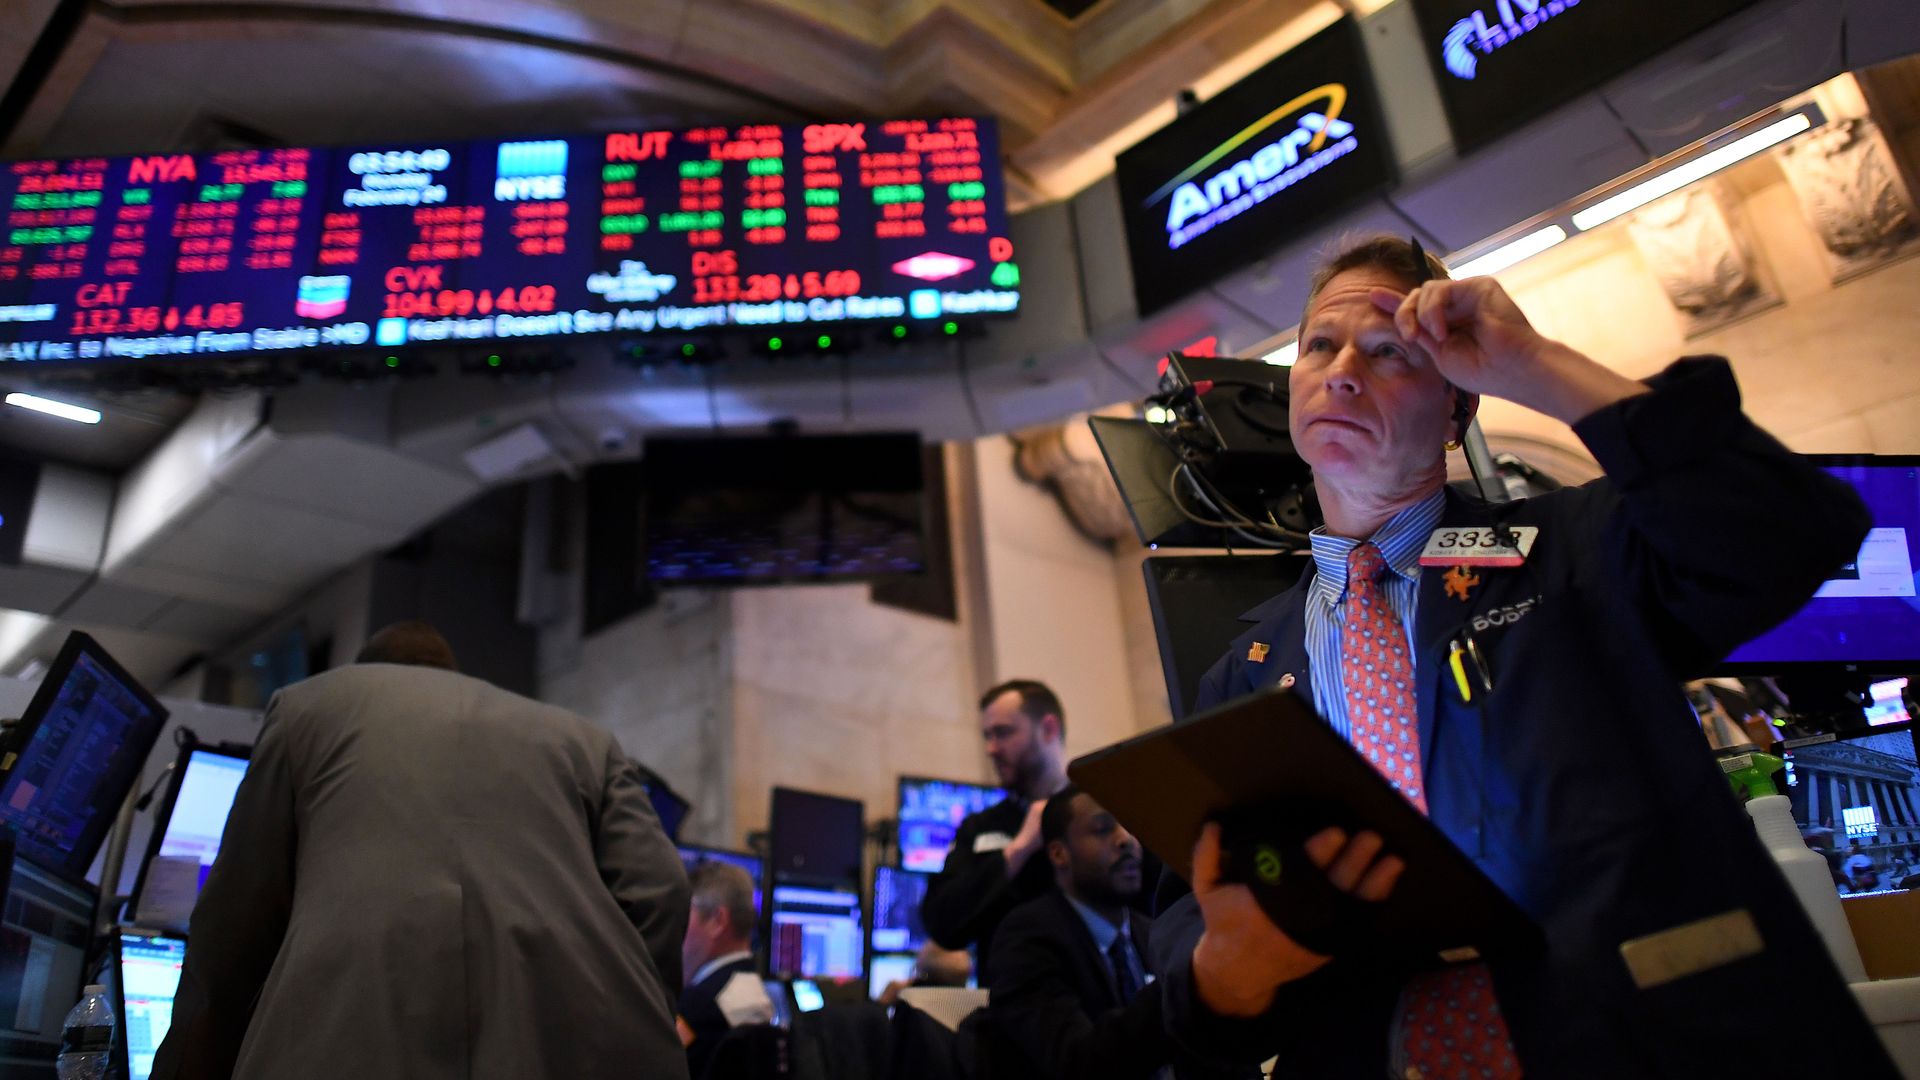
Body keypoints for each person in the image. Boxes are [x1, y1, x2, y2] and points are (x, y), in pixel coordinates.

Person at [1149, 235, 1898, 1077]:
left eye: (1389, 350)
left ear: (1458, 408)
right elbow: (1187, 907)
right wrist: (1219, 974)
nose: (1342, 369)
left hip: (1645, 1042)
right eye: (1319, 345)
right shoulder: (1246, 666)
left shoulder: (1569, 553)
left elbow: (1787, 534)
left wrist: (1537, 364)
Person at [152, 621, 691, 1080]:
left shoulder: (307, 708)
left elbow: (236, 924)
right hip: (570, 1050)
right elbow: (660, 891)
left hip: (344, 1043)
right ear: (453, 674)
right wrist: (634, 1007)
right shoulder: (583, 740)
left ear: (365, 671)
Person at [988, 786, 1203, 1080]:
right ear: (1059, 853)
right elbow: (1075, 1062)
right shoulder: (1026, 939)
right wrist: (1187, 987)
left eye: (1131, 826)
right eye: (1103, 829)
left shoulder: (1153, 932)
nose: (1126, 840)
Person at [922, 679, 1071, 977]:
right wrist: (1017, 851)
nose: (991, 749)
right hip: (1008, 1007)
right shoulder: (980, 827)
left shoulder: (1100, 812)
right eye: (986, 736)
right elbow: (943, 923)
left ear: (1049, 729)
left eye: (1003, 733)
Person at [679, 861, 777, 1080]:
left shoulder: (700, 1005)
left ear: (717, 921)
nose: (678, 931)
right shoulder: (759, 994)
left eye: (685, 915)